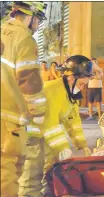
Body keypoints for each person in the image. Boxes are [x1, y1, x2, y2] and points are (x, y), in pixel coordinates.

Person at [18, 55, 93, 196]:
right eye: (82, 84)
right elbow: (50, 122)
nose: (82, 88)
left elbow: (73, 120)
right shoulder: (53, 90)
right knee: (32, 175)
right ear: (71, 77)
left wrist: (81, 144)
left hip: (42, 132)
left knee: (51, 166)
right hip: (30, 133)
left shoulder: (69, 93)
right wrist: (62, 147)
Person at [1, 2, 48, 196]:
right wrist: (38, 113)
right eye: (38, 21)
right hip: (9, 118)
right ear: (31, 16)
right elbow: (28, 80)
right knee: (7, 172)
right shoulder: (24, 39)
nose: (37, 26)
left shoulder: (2, 29)